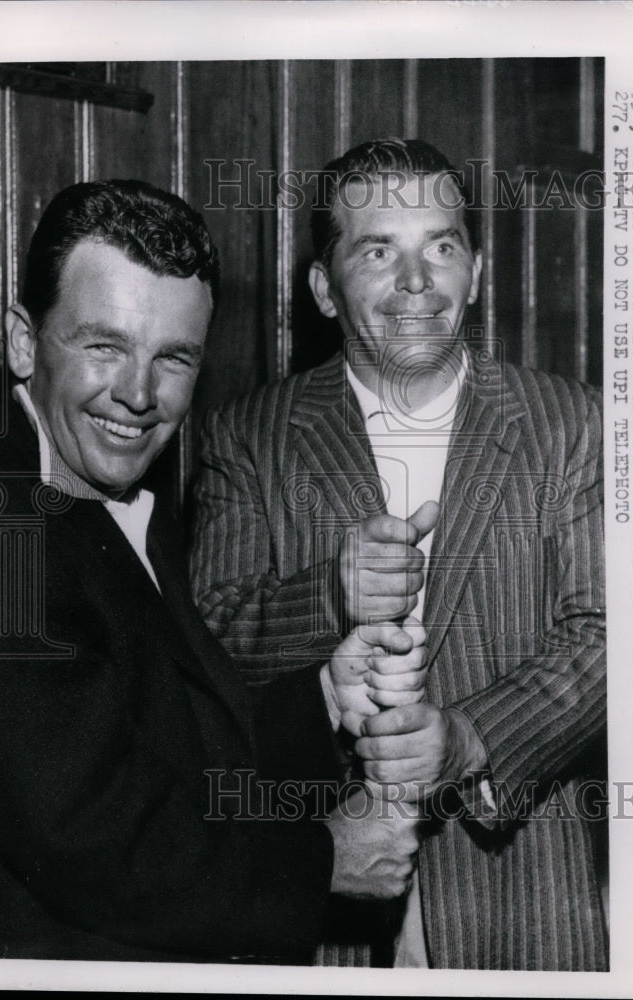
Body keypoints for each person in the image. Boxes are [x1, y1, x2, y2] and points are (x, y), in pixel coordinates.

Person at [0, 179, 432, 964]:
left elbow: (166, 742)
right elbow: (96, 839)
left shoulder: (101, 485)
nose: (137, 396)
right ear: (19, 340)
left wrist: (318, 700)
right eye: (102, 345)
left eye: (172, 358)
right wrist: (324, 862)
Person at [190, 139, 608, 970]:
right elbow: (201, 646)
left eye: (441, 247)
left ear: (477, 274)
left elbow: (610, 635)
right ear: (322, 287)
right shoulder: (250, 434)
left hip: (521, 899)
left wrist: (469, 738)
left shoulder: (569, 422)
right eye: (378, 250)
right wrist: (329, 594)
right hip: (319, 892)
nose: (416, 282)